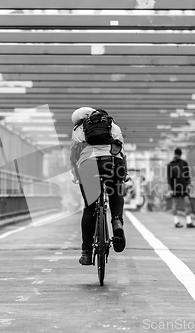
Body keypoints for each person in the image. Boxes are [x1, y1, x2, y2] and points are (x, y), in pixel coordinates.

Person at [70, 107, 128, 265]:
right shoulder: (112, 126)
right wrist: (125, 173)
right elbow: (122, 150)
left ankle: (87, 252)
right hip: (112, 163)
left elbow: (74, 155)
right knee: (115, 190)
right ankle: (117, 221)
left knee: (90, 208)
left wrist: (76, 176)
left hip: (88, 165)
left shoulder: (79, 129)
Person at [167, 148, 195, 228]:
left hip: (178, 187)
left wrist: (171, 188)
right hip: (180, 187)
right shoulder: (178, 164)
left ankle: (187, 222)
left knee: (183, 203)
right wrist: (188, 184)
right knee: (179, 204)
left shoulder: (174, 164)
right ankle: (181, 222)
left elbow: (169, 178)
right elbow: (187, 176)